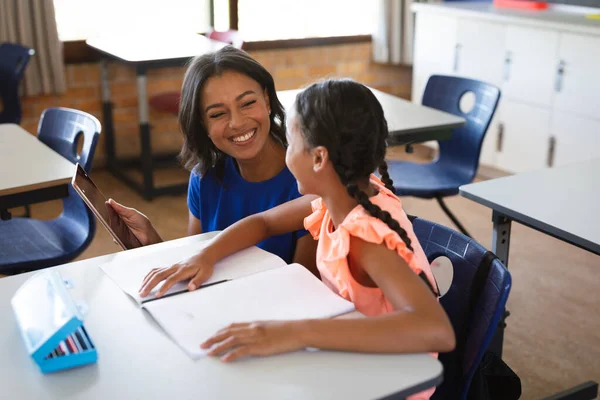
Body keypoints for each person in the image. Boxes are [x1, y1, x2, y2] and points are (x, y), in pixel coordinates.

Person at [139, 79, 455, 399]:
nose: (286, 154)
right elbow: (262, 223)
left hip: (387, 382)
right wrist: (204, 255)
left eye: (290, 144)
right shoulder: (341, 195)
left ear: (319, 159)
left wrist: (295, 332)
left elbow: (437, 331)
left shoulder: (364, 237)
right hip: (350, 353)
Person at [107, 46, 317, 274]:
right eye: (217, 114)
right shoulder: (205, 177)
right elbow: (195, 263)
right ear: (202, 123)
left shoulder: (309, 180)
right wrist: (151, 241)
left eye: (247, 103)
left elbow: (305, 285)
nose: (236, 122)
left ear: (267, 100)